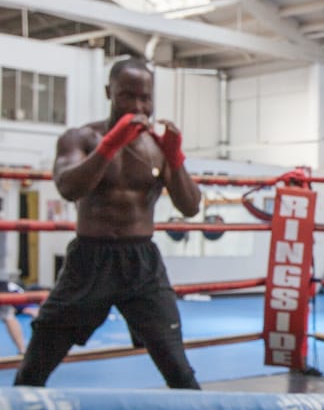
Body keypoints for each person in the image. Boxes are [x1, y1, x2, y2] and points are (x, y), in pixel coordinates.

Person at [14, 57, 202, 389]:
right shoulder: (81, 138)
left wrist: (176, 159)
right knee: (36, 365)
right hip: (89, 260)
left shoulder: (157, 148)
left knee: (178, 367)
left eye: (145, 97)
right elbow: (69, 187)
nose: (138, 105)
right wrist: (109, 145)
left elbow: (189, 206)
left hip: (141, 263)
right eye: (127, 96)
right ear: (109, 93)